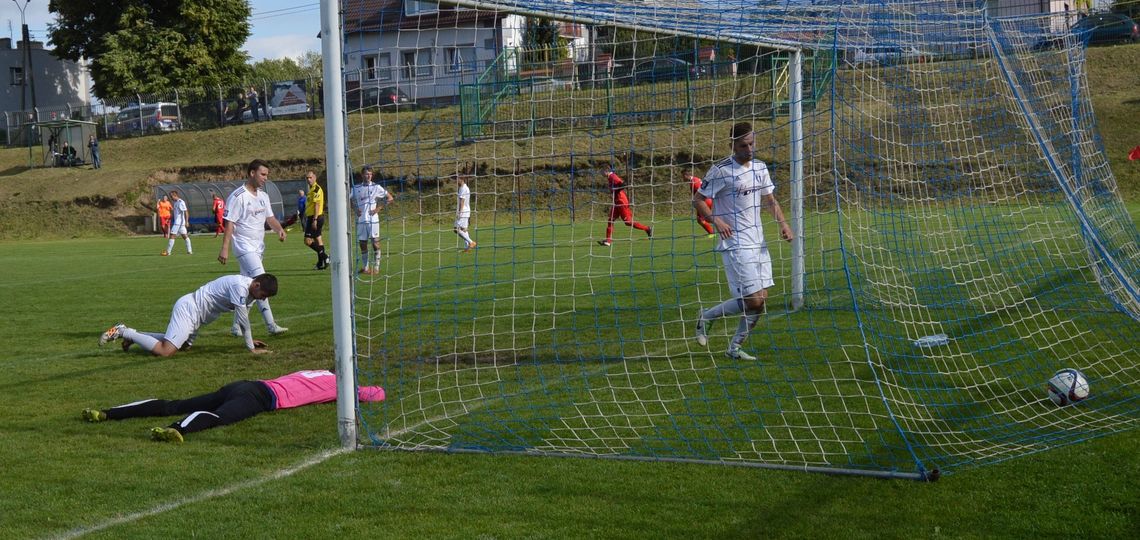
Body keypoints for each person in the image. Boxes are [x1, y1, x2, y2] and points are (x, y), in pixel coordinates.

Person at [692, 122, 794, 361]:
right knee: (753, 300)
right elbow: (697, 200)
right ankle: (707, 317)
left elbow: (769, 200)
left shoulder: (760, 167)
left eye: (752, 144)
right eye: (743, 145)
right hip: (735, 242)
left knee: (760, 301)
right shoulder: (721, 170)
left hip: (758, 241)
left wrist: (783, 224)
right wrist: (716, 220)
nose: (749, 149)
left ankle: (734, 347)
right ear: (733, 145)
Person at [80, 369, 385, 443]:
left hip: (246, 384)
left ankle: (107, 413)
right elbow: (377, 394)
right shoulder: (345, 386)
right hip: (261, 397)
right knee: (220, 417)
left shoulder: (317, 371)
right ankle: (175, 430)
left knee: (174, 403)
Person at [97, 273, 279, 357]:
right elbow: (243, 320)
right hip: (189, 310)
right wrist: (250, 348)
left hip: (197, 316)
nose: (262, 300)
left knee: (182, 347)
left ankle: (135, 337)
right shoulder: (240, 286)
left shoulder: (250, 293)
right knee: (165, 351)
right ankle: (123, 331)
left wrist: (250, 340)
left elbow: (242, 319)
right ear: (256, 285)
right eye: (263, 296)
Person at [219, 159, 289, 335]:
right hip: (244, 247)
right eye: (263, 174)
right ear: (252, 173)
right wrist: (225, 248)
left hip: (258, 248)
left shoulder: (263, 197)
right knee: (261, 282)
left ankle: (236, 327)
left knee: (249, 288)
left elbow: (270, 219)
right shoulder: (238, 196)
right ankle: (271, 325)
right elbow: (229, 224)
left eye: (267, 175)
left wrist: (279, 229)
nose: (265, 178)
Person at [351, 165, 394, 275]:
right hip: (361, 220)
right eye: (366, 174)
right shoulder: (356, 188)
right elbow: (349, 199)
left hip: (372, 219)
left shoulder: (376, 187)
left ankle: (376, 268)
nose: (369, 176)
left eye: (370, 174)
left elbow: (390, 198)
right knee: (362, 244)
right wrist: (355, 208)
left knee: (375, 243)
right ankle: (366, 268)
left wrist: (378, 208)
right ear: (362, 175)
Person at [597, 169, 651, 247]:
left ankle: (647, 228)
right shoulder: (610, 178)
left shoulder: (613, 176)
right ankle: (608, 241)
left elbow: (623, 184)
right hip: (616, 203)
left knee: (628, 222)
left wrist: (617, 189)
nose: (600, 173)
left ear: (606, 171)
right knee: (610, 220)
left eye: (601, 172)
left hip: (622, 202)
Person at [304, 170, 330, 270]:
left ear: (315, 177)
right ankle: (320, 263)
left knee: (307, 240)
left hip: (315, 217)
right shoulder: (311, 189)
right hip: (315, 217)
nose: (308, 180)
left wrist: (314, 219)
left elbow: (317, 205)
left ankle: (325, 257)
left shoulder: (316, 189)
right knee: (318, 239)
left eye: (310, 177)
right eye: (307, 178)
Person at [684, 168, 716, 238]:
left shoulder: (694, 182)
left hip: (704, 201)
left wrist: (698, 202)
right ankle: (713, 231)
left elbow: (701, 193)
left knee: (701, 219)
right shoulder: (696, 179)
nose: (682, 178)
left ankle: (712, 233)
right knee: (704, 218)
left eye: (683, 176)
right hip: (707, 200)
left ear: (686, 175)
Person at [164, 190, 193, 256]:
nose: (171, 198)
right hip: (179, 222)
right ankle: (189, 251)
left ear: (175, 195)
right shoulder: (175, 202)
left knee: (172, 235)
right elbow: (176, 213)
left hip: (178, 223)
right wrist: (170, 218)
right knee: (184, 236)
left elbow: (186, 212)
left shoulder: (181, 202)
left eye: (171, 196)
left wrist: (187, 221)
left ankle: (168, 252)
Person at [454, 174, 476, 252]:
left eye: (457, 179)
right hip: (466, 211)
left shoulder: (463, 188)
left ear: (461, 179)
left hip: (463, 212)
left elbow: (462, 201)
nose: (456, 181)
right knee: (463, 229)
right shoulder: (462, 188)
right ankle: (468, 247)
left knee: (456, 229)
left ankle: (471, 242)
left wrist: (460, 212)